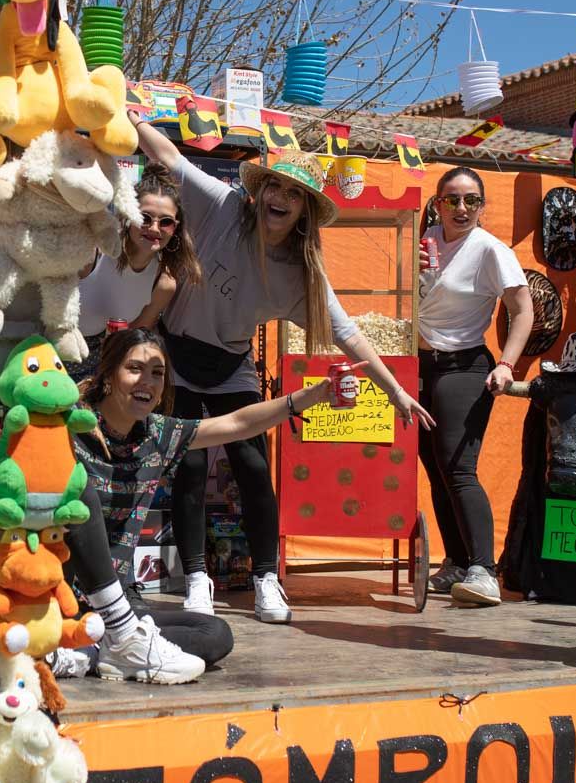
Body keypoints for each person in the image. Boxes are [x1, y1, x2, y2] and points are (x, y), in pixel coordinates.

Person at [133, 119, 434, 623]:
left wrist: (396, 392)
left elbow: (351, 336)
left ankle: (266, 578)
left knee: (252, 465)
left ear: (303, 212)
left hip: (232, 365)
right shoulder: (227, 208)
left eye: (292, 195)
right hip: (177, 354)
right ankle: (198, 578)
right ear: (261, 192)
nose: (279, 197)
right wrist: (129, 114)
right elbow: (168, 159)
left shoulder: (302, 275)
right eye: (274, 185)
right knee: (186, 464)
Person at [61, 327, 352, 682]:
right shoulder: (69, 427)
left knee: (215, 634)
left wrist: (307, 397)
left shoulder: (159, 434)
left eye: (157, 373)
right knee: (77, 488)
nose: (147, 382)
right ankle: (97, 641)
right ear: (108, 374)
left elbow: (236, 422)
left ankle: (93, 651)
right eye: (134, 369)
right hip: (61, 597)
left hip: (123, 604)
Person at [417, 167, 533, 607]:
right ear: (438, 203)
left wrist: (507, 364)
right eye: (452, 199)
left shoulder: (490, 250)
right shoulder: (426, 237)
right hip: (422, 364)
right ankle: (458, 562)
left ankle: (485, 570)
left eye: (471, 200)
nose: (461, 208)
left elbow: (522, 310)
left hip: (465, 365)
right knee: (436, 467)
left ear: (483, 206)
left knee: (459, 466)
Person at [68, 162, 202, 381]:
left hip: (105, 370)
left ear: (175, 228)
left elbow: (132, 340)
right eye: (145, 218)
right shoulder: (95, 251)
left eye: (166, 222)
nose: (155, 229)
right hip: (53, 359)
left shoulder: (164, 283)